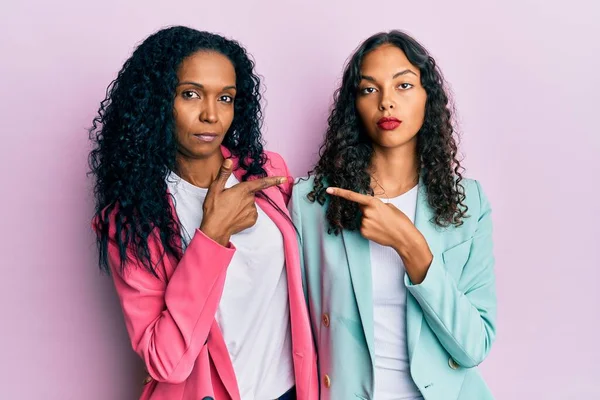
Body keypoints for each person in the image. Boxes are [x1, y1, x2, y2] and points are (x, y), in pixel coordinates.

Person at [89, 26, 317, 400]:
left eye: (225, 98)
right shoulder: (131, 220)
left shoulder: (266, 173)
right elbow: (167, 362)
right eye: (190, 94)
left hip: (290, 390)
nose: (211, 115)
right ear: (159, 102)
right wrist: (212, 236)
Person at [290, 30, 496, 400]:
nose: (387, 102)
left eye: (403, 85)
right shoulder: (312, 201)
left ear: (427, 98)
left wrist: (409, 244)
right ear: (354, 106)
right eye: (369, 89)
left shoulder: (468, 203)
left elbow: (474, 346)